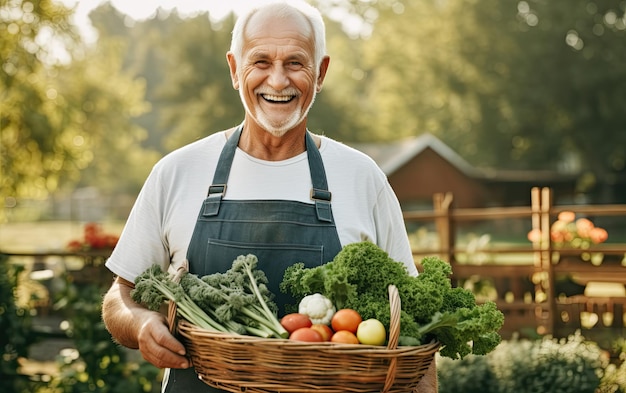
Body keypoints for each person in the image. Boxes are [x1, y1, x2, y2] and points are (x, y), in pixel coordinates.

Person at [101, 1, 438, 392]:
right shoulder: (178, 172)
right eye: (260, 61)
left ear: (321, 72)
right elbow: (120, 297)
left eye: (295, 63)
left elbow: (413, 323)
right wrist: (140, 323)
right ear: (233, 69)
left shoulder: (363, 179)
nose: (278, 81)